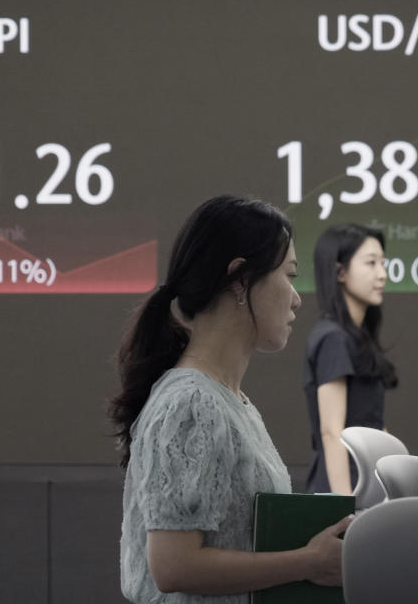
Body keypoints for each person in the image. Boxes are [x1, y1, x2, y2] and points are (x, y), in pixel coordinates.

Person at [110, 196, 351, 604]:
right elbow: (173, 567)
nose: (296, 298)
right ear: (239, 278)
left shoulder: (229, 401)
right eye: (288, 275)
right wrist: (309, 561)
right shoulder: (190, 403)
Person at [303, 224, 398, 495]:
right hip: (343, 490)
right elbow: (332, 432)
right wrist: (345, 511)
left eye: (383, 263)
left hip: (367, 485)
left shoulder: (356, 337)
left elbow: (374, 427)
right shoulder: (333, 338)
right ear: (340, 272)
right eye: (371, 263)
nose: (382, 274)